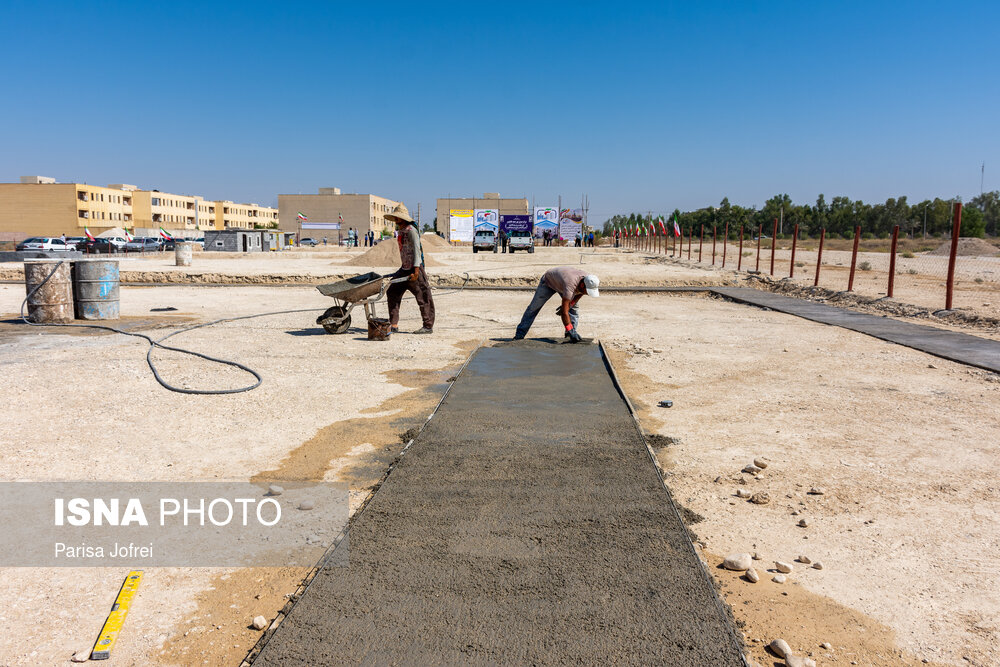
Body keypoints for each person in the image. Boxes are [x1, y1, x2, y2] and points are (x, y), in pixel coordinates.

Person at [513, 266, 599, 342]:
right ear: (582, 286)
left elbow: (580, 294)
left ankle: (570, 335)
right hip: (548, 282)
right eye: (587, 291)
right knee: (534, 308)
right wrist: (565, 309)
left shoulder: (588, 280)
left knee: (573, 309)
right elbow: (564, 313)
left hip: (563, 283)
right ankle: (519, 335)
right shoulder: (571, 284)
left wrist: (570, 305)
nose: (587, 294)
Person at [386, 203, 434, 334]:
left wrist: (416, 270)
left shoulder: (411, 230)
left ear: (403, 218)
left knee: (423, 296)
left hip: (414, 268)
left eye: (397, 217)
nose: (396, 220)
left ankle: (428, 326)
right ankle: (393, 324)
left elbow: (417, 251)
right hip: (404, 268)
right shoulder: (401, 231)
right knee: (392, 292)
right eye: (395, 218)